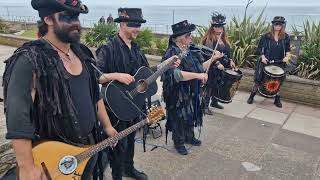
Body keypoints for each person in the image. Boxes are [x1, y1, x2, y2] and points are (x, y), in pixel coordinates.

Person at [2, 0, 118, 179]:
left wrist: (108, 126)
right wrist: (26, 166)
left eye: (77, 16)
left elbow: (95, 95)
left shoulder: (83, 53)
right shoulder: (29, 60)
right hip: (54, 160)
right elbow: (18, 117)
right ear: (47, 19)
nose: (76, 23)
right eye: (67, 17)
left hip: (88, 148)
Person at [96, 8, 180, 180]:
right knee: (117, 145)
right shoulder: (108, 48)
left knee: (131, 141)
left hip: (134, 104)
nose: (138, 29)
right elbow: (96, 76)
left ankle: (129, 168)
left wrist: (166, 65)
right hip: (116, 107)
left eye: (139, 25)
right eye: (134, 25)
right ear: (122, 24)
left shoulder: (136, 48)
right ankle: (117, 175)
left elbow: (146, 73)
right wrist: (116, 75)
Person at [162, 20, 208, 155]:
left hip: (191, 90)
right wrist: (198, 76)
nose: (191, 37)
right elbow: (176, 74)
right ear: (180, 38)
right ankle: (179, 142)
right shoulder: (172, 52)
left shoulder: (190, 50)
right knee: (179, 117)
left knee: (191, 114)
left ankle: (189, 136)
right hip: (177, 93)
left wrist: (213, 59)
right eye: (188, 35)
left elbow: (200, 68)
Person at [247, 16, 291, 108]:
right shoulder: (266, 36)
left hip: (280, 62)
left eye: (280, 25)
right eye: (276, 24)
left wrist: (287, 56)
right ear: (273, 25)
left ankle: (277, 99)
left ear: (282, 26)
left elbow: (288, 49)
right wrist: (263, 57)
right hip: (266, 61)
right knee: (259, 79)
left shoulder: (286, 37)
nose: (278, 26)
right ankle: (252, 95)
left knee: (278, 81)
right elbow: (260, 48)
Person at [201, 12, 236, 115]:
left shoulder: (224, 39)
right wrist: (217, 64)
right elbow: (208, 54)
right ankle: (205, 106)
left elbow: (227, 53)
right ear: (212, 27)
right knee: (210, 86)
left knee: (217, 86)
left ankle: (214, 102)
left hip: (222, 67)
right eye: (216, 26)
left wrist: (231, 61)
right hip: (212, 67)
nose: (219, 28)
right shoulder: (209, 40)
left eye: (221, 26)